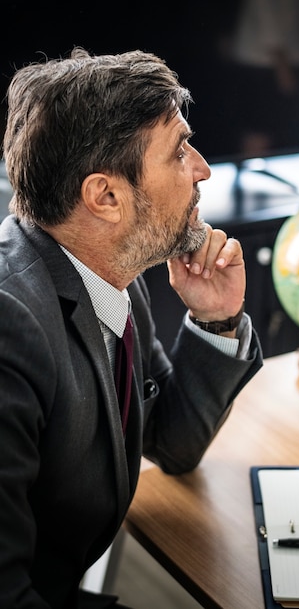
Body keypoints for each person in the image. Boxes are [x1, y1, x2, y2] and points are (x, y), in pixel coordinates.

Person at [0, 47, 263, 608]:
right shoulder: (9, 328)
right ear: (107, 197)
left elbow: (170, 440)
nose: (203, 168)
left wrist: (214, 318)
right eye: (179, 151)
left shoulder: (110, 271)